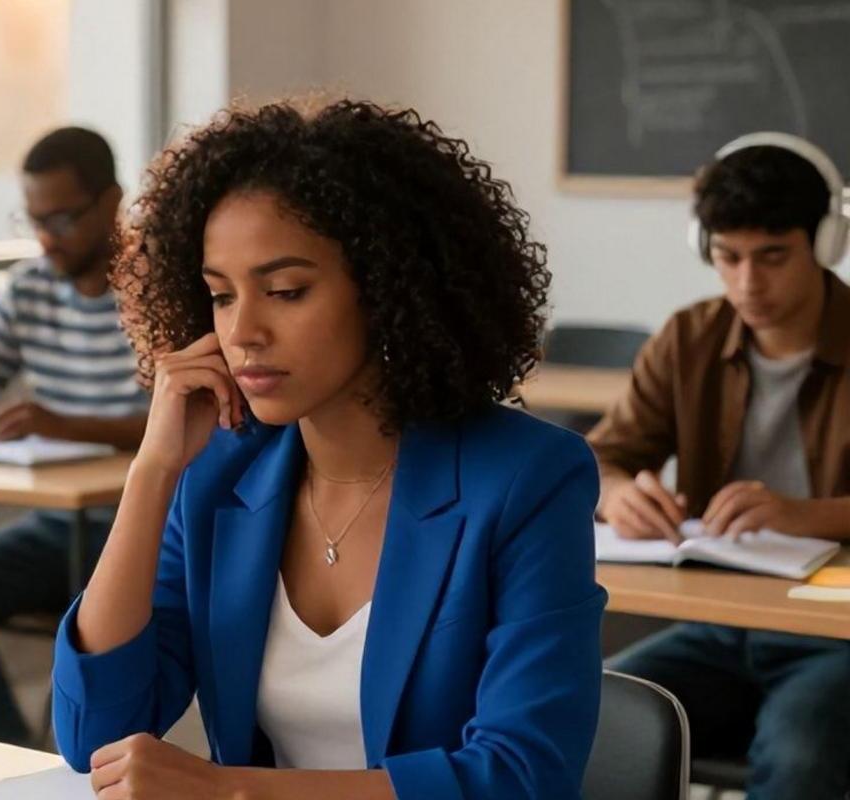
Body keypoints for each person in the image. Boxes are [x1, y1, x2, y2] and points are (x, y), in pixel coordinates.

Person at [50, 99, 606, 799]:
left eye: (286, 291)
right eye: (221, 296)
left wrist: (228, 791)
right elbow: (94, 733)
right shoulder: (219, 474)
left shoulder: (527, 479)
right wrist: (153, 470)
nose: (243, 331)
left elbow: (523, 777)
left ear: (385, 286)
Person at [591, 133, 850, 800]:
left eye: (772, 257)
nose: (747, 283)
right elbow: (602, 458)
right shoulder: (689, 336)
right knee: (589, 718)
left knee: (796, 757)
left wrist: (805, 515)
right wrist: (619, 494)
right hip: (721, 619)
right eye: (729, 258)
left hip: (837, 634)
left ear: (824, 244)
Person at [0, 127, 147, 745]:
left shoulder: (159, 290)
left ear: (112, 202)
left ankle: (82, 764)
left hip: (140, 529)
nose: (45, 237)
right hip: (57, 528)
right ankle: (11, 759)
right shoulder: (29, 286)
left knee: (108, 628)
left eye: (61, 217)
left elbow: (184, 423)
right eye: (32, 219)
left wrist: (61, 424)